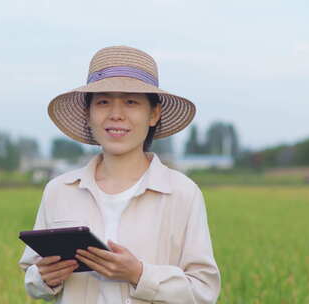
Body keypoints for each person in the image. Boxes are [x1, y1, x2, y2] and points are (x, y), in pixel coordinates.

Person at [18, 45, 221, 304]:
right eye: (103, 102)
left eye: (131, 102)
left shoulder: (182, 193)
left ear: (153, 114)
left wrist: (138, 274)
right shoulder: (60, 190)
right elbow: (32, 279)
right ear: (88, 113)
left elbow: (204, 291)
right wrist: (45, 277)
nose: (116, 115)